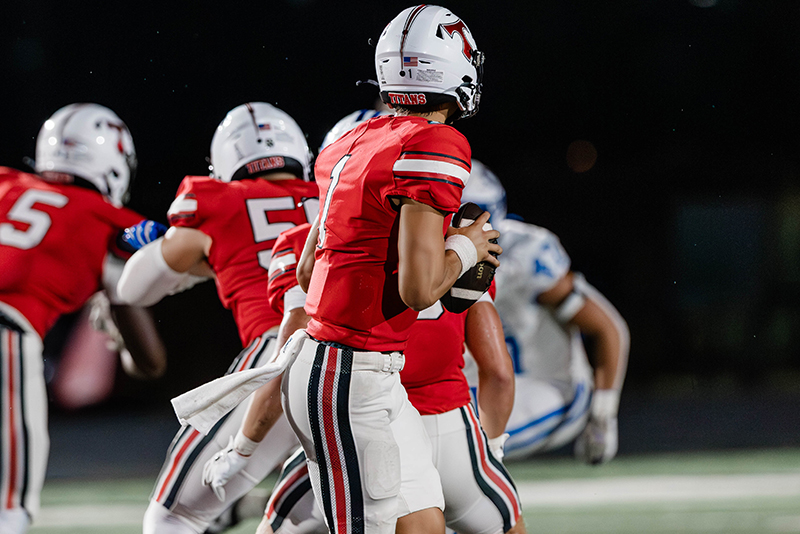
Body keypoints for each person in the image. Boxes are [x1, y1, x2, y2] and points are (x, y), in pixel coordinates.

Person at [279, 6, 497, 534]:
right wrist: (465, 249)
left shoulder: (353, 141)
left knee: (423, 526)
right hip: (349, 376)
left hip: (350, 370)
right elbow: (419, 291)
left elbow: (309, 272)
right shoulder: (436, 143)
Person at [203, 219, 524, 534]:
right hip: (453, 435)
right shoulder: (461, 240)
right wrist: (490, 450)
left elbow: (287, 360)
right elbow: (498, 372)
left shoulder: (310, 243)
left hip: (363, 420)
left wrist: (243, 446)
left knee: (277, 525)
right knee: (504, 524)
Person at [116, 102, 319, 534]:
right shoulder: (337, 196)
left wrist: (191, 258)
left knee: (174, 516)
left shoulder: (219, 203)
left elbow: (132, 289)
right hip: (370, 365)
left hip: (281, 353)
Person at [0, 103, 166, 533]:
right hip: (7, 333)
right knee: (9, 508)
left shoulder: (4, 180)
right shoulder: (113, 224)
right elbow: (149, 362)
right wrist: (115, 307)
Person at [460, 160, 630, 463]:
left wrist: (603, 416)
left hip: (548, 387)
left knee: (457, 440)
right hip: (474, 386)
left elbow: (606, 328)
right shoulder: (417, 261)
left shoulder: (525, 254)